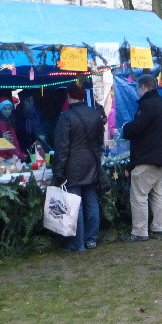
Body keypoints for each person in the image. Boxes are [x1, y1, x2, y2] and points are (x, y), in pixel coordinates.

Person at [53, 84, 105, 252]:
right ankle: (91, 239)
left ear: (68, 96)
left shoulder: (65, 117)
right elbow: (99, 143)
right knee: (91, 203)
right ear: (83, 95)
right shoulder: (95, 115)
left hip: (72, 167)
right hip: (91, 164)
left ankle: (77, 243)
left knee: (74, 205)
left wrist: (58, 172)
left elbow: (62, 148)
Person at [121, 74, 162, 242]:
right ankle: (159, 227)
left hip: (146, 157)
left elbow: (137, 128)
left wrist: (126, 127)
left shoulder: (148, 106)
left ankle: (140, 231)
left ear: (143, 87)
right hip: (161, 156)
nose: (136, 91)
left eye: (137, 87)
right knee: (157, 194)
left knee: (139, 195)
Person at [14, 88, 48, 156]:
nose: (30, 103)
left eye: (32, 101)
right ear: (22, 102)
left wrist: (42, 135)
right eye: (27, 101)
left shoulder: (36, 114)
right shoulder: (16, 115)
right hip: (21, 150)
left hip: (35, 148)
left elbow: (39, 128)